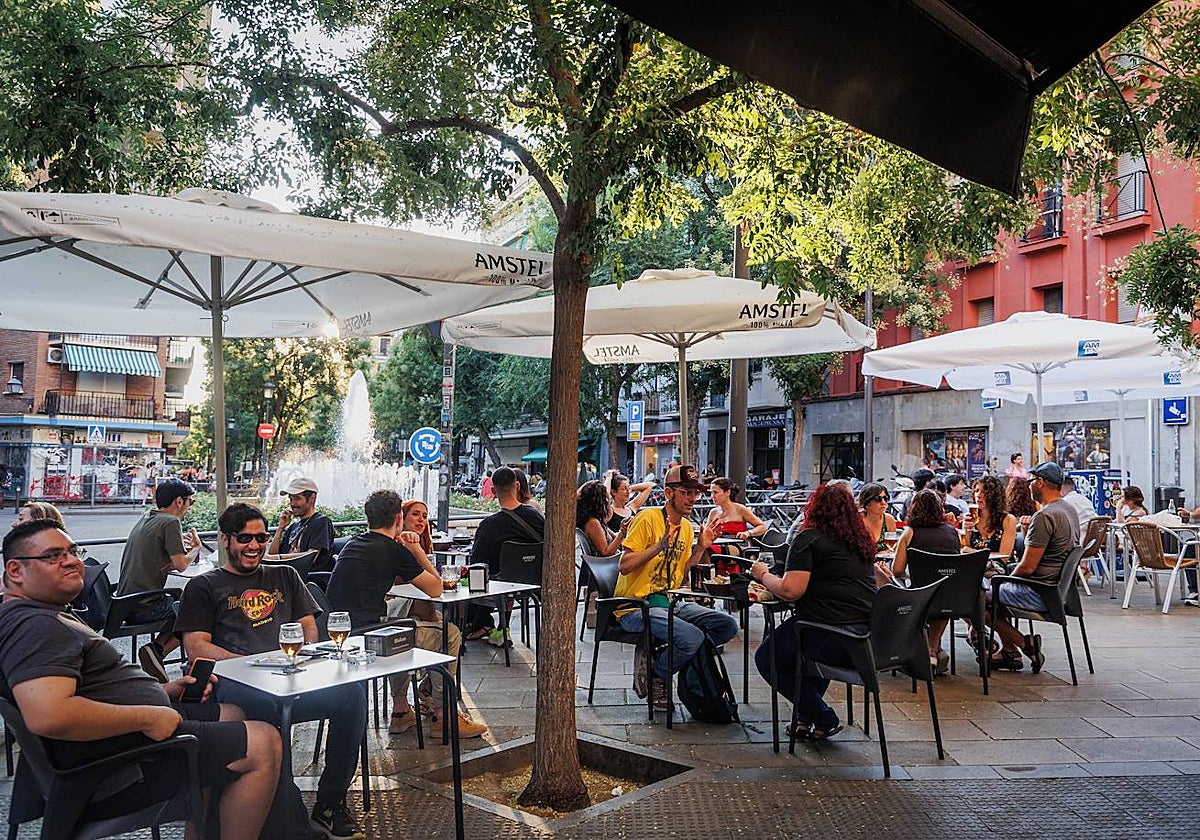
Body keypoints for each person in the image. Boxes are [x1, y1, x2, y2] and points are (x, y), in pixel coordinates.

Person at [0, 519, 281, 840]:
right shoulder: (35, 626)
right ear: (16, 571)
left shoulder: (36, 614)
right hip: (112, 770)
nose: (70, 560)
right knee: (264, 742)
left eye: (72, 551)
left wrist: (162, 691)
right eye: (52, 556)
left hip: (103, 750)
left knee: (232, 713)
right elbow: (49, 715)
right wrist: (148, 716)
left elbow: (78, 691)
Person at [177, 503, 367, 840]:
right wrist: (251, 664)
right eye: (244, 539)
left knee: (351, 694)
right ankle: (286, 818)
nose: (254, 546)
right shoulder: (204, 586)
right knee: (264, 709)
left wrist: (303, 659)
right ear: (225, 539)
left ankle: (330, 802)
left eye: (260, 538)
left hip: (291, 676)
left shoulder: (285, 575)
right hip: (237, 686)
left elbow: (310, 628)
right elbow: (196, 647)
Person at [326, 492, 486, 738]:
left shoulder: (352, 544)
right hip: (371, 639)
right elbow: (435, 588)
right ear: (399, 519)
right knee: (450, 634)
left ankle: (402, 710)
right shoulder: (392, 549)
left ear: (368, 520)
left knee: (405, 627)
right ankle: (443, 716)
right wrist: (416, 549)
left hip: (343, 637)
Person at [749, 483, 881, 741]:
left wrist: (762, 575)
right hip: (864, 639)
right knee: (800, 652)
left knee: (768, 658)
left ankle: (822, 716)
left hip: (827, 634)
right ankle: (805, 716)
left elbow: (790, 590)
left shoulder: (809, 537)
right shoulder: (861, 540)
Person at [615, 464, 737, 712]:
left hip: (669, 601)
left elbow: (680, 577)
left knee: (726, 626)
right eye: (686, 492)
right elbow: (624, 565)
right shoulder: (648, 518)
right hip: (634, 606)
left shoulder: (685, 528)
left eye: (696, 493)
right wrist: (658, 547)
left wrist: (701, 547)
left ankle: (659, 660)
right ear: (669, 494)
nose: (693, 499)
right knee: (691, 637)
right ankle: (659, 675)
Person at [986, 462, 1079, 674]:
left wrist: (1004, 578)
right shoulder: (1068, 509)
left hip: (1040, 592)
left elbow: (1027, 567)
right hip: (1059, 590)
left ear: (1041, 483)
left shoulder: (1044, 516)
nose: (1028, 486)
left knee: (978, 597)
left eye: (1031, 482)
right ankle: (1009, 653)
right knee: (995, 588)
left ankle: (1025, 645)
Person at [116, 478, 200, 682]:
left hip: (124, 604)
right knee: (197, 610)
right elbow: (181, 565)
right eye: (191, 501)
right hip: (144, 606)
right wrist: (196, 548)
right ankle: (157, 651)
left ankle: (156, 652)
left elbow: (164, 560)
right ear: (179, 501)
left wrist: (175, 558)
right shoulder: (170, 522)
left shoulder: (149, 518)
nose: (189, 507)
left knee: (185, 602)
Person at [467, 466, 545, 645]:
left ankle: (482, 624)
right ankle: (502, 629)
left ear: (493, 491)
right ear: (517, 486)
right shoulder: (536, 516)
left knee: (472, 577)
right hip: (534, 581)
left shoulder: (489, 524)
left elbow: (477, 560)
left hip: (502, 584)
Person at [890, 489, 962, 675]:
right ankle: (932, 648)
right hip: (950, 598)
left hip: (919, 598)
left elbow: (897, 570)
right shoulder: (952, 533)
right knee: (940, 592)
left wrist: (912, 574)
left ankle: (923, 650)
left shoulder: (910, 533)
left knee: (890, 584)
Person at [268, 476, 335, 573]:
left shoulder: (322, 522)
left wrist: (279, 558)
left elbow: (311, 556)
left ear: (312, 498)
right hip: (286, 577)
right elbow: (272, 555)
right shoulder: (293, 527)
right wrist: (280, 528)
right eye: (290, 499)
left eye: (297, 499)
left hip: (309, 580)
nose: (292, 504)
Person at [704, 477, 768, 542]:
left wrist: (748, 533)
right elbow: (705, 533)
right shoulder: (713, 512)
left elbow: (762, 526)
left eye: (715, 492)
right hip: (716, 543)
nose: (712, 496)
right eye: (711, 493)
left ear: (727, 492)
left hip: (737, 545)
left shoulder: (740, 509)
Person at [968, 475, 1017, 558]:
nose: (978, 495)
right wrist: (966, 530)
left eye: (984, 492)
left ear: (994, 495)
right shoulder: (971, 519)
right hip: (974, 566)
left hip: (998, 568)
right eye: (976, 491)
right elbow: (964, 551)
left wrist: (973, 552)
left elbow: (1004, 557)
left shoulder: (1007, 519)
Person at [576, 479, 628, 556]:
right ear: (600, 502)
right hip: (606, 564)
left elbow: (615, 536)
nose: (609, 505)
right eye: (609, 501)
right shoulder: (593, 523)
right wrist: (622, 533)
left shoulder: (597, 521)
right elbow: (605, 552)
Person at [858, 483, 896, 551]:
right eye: (878, 499)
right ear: (866, 502)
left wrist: (884, 553)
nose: (883, 502)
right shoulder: (857, 519)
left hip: (883, 560)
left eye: (885, 498)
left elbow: (893, 548)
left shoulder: (889, 519)